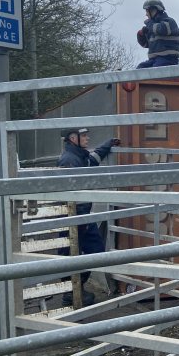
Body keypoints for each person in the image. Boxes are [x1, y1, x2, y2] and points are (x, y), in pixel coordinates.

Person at [58, 128, 120, 306]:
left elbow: (93, 159)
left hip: (81, 214)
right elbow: (70, 193)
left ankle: (75, 290)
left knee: (84, 252)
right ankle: (71, 293)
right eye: (83, 136)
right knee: (78, 252)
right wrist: (80, 217)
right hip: (76, 215)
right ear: (73, 138)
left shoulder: (79, 156)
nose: (87, 138)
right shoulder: (69, 160)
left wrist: (107, 145)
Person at [136, 0, 179, 68]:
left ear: (153, 10)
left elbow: (162, 29)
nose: (146, 14)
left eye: (147, 11)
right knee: (140, 69)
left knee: (155, 71)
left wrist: (149, 24)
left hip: (169, 60)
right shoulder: (152, 26)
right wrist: (141, 35)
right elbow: (145, 44)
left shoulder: (169, 22)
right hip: (153, 60)